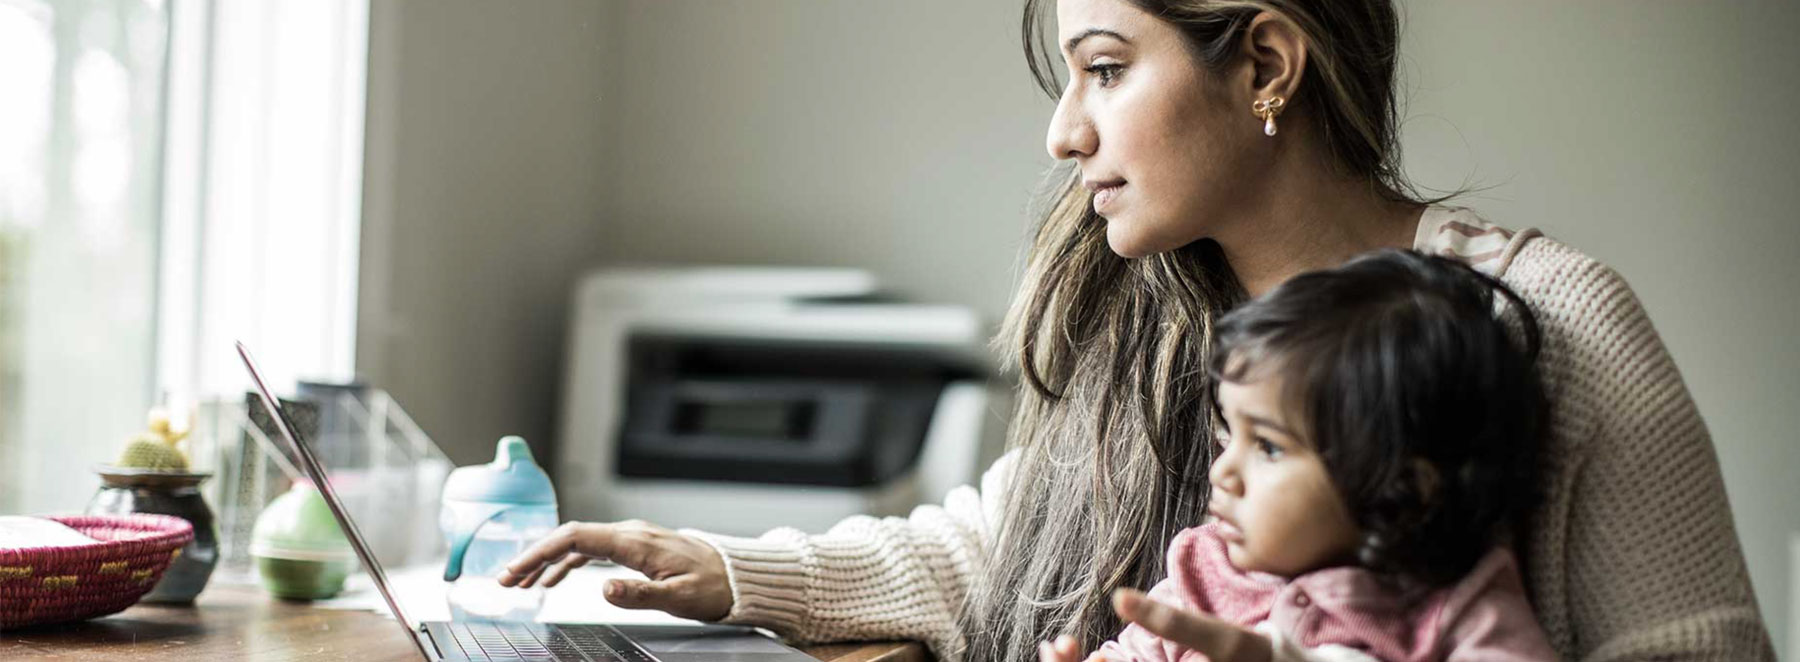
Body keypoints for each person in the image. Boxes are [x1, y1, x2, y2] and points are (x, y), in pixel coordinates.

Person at [499, 1, 1775, 660]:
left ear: (1267, 63)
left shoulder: (1552, 325)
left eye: (1105, 68)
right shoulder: (1155, 317)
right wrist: (727, 572)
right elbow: (992, 546)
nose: (1065, 133)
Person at [1038, 248, 1558, 662]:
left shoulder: (1456, 606)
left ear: (1403, 488)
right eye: (1228, 435)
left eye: (1267, 445)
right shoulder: (1205, 568)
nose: (1223, 473)